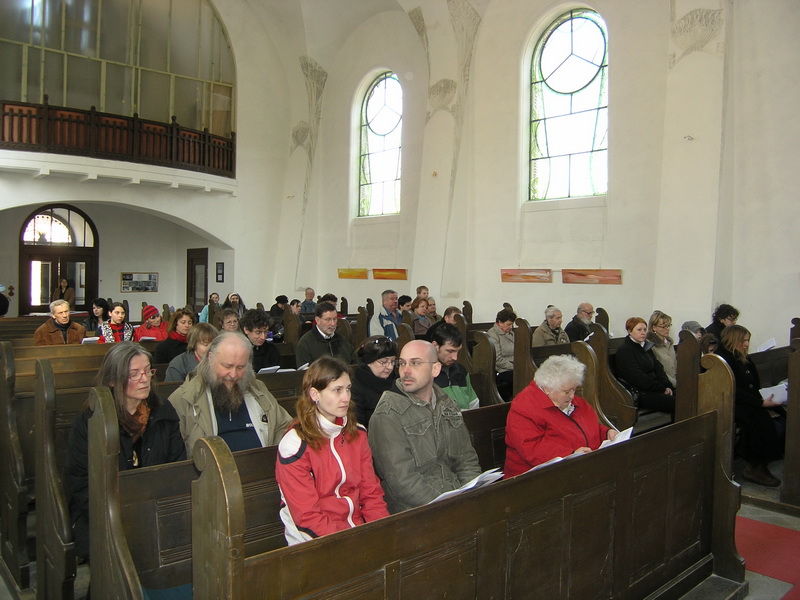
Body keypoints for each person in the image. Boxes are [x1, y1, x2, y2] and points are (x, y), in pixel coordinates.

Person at [65, 342, 185, 562]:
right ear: (113, 380)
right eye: (134, 374)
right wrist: (119, 518)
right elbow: (81, 481)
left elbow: (177, 468)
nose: (145, 378)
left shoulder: (163, 411)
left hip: (155, 513)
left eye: (148, 370)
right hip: (102, 515)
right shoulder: (91, 419)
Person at [275, 357, 389, 545]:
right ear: (315, 394)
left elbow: (371, 492)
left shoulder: (357, 434)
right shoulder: (294, 445)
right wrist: (353, 542)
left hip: (357, 531)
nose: (346, 397)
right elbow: (307, 517)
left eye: (348, 389)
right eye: (337, 390)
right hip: (314, 541)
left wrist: (382, 532)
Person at [368, 340, 481, 513]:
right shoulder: (388, 414)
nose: (405, 370)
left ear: (435, 369)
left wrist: (472, 494)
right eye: (402, 363)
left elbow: (466, 459)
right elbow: (402, 481)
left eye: (415, 363)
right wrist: (449, 508)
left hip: (455, 496)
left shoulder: (447, 403)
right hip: (415, 511)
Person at [168, 332, 293, 458]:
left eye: (240, 367)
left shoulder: (257, 389)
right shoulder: (185, 399)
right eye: (227, 366)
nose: (233, 375)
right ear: (210, 358)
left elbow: (283, 426)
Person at [504, 354, 617, 476]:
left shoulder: (572, 402)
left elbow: (586, 427)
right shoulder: (524, 407)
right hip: (536, 478)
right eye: (567, 391)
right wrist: (570, 455)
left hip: (579, 469)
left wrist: (605, 433)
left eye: (574, 390)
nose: (572, 396)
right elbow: (531, 447)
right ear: (547, 388)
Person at [717, 325, 786, 486]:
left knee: (781, 413)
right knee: (759, 419)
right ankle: (755, 466)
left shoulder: (742, 357)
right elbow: (732, 389)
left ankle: (766, 461)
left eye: (748, 340)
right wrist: (759, 403)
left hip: (747, 400)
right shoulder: (722, 359)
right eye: (743, 340)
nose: (747, 344)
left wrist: (764, 401)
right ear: (732, 339)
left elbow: (753, 385)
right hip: (728, 402)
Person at [615, 317, 675, 417]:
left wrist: (667, 386)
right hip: (640, 393)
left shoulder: (645, 347)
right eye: (639, 330)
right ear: (630, 331)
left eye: (644, 329)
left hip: (654, 389)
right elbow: (637, 377)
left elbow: (658, 368)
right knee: (677, 403)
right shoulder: (625, 351)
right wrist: (661, 389)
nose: (643, 333)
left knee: (684, 397)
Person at [351, 335, 398, 428]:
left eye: (392, 361)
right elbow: (357, 425)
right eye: (384, 362)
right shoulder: (356, 387)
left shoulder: (397, 381)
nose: (390, 367)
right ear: (369, 362)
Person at [431, 323, 479, 410]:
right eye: (450, 351)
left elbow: (474, 404)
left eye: (457, 351)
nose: (455, 357)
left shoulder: (461, 370)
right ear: (435, 346)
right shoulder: (425, 374)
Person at [295, 302, 353, 367]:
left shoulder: (342, 339)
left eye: (335, 319)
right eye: (328, 320)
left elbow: (353, 363)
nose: (333, 324)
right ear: (317, 320)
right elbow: (304, 372)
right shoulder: (305, 342)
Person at [485, 308, 516, 400]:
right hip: (501, 370)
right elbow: (497, 359)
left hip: (514, 366)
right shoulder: (492, 335)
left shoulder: (511, 333)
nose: (511, 327)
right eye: (508, 324)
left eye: (512, 324)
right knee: (519, 378)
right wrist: (514, 367)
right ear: (500, 323)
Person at [647, 310, 677, 387]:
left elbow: (674, 364)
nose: (668, 329)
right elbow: (658, 370)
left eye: (669, 325)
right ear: (654, 327)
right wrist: (675, 384)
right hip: (663, 384)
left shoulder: (669, 343)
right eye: (663, 327)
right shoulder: (651, 345)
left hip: (675, 381)